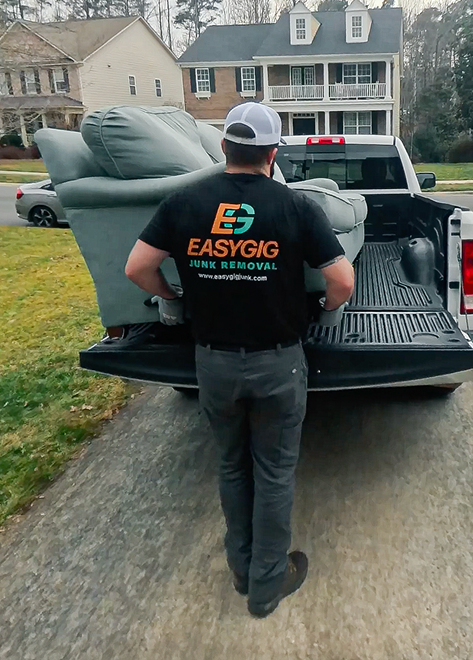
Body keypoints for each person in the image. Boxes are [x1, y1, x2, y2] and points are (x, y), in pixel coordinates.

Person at [124, 102, 355, 618]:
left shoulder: (184, 202)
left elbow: (137, 267)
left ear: (224, 147)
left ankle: (240, 566)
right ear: (272, 154)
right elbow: (342, 281)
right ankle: (266, 585)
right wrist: (320, 308)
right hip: (278, 363)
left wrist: (176, 299)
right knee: (274, 472)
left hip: (215, 363)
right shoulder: (295, 207)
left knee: (231, 466)